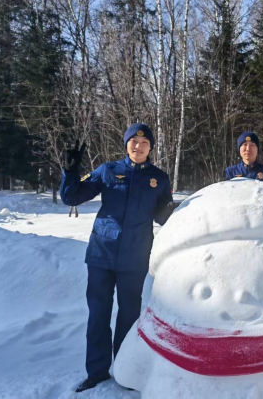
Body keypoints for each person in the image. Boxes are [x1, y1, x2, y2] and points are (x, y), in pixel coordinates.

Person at [60, 123, 179, 393]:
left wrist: (178, 210)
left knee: (129, 317)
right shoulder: (108, 170)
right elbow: (71, 197)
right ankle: (97, 372)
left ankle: (126, 371)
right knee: (98, 315)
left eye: (144, 143)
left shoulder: (159, 178)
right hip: (102, 254)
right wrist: (70, 172)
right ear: (126, 144)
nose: (138, 146)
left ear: (150, 147)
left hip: (135, 257)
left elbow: (163, 216)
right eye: (134, 142)